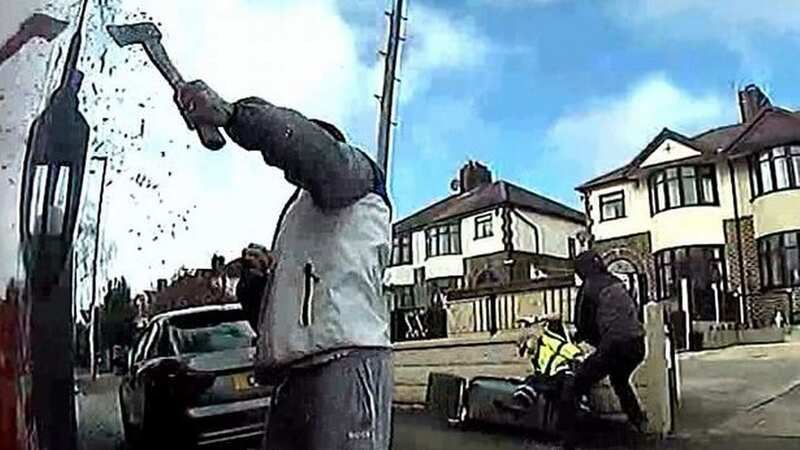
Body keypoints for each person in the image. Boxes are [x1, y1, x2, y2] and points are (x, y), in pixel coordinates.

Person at [176, 80, 393, 450]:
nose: (293, 166)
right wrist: (256, 281)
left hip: (343, 360)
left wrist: (232, 116)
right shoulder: (296, 219)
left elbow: (310, 150)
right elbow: (272, 316)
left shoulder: (357, 174)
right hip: (290, 377)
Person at [559, 250, 648, 449]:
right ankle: (639, 423)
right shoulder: (616, 281)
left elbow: (583, 325)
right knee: (620, 380)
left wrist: (580, 341)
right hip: (637, 345)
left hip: (615, 346)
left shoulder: (589, 287)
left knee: (573, 386)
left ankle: (570, 440)